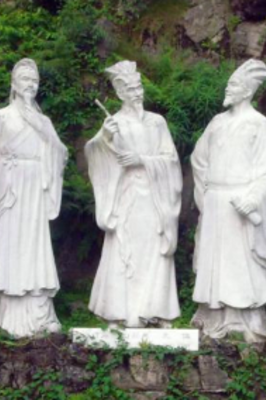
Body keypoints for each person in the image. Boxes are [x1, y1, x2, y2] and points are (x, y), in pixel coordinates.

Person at [0, 58, 68, 337]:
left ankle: (37, 311)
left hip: (35, 188)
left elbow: (59, 153)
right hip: (8, 189)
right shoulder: (1, 118)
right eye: (25, 79)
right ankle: (5, 313)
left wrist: (50, 145)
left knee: (33, 244)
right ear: (13, 83)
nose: (30, 85)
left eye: (35, 80)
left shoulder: (44, 122)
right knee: (9, 243)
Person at [86, 60, 182, 328]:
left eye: (139, 87)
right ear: (119, 93)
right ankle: (117, 312)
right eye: (131, 89)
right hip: (126, 195)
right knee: (122, 251)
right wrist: (105, 139)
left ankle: (154, 311)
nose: (138, 92)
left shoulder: (157, 122)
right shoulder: (114, 123)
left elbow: (171, 160)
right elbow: (95, 153)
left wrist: (142, 159)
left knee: (154, 251)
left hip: (153, 196)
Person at [190, 59, 266, 342]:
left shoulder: (258, 124)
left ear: (247, 91)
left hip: (241, 204)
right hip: (216, 202)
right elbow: (198, 158)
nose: (228, 89)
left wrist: (253, 198)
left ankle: (244, 319)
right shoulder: (217, 123)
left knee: (240, 260)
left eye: (233, 85)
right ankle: (213, 317)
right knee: (215, 260)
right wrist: (207, 192)